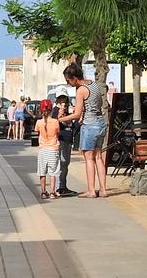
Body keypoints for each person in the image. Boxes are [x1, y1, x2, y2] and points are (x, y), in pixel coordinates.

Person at [58, 64, 109, 198]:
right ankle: (103, 190)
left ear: (74, 78)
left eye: (68, 80)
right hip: (100, 124)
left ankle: (91, 190)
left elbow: (76, 114)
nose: (68, 83)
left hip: (90, 126)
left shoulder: (81, 90)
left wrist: (60, 119)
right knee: (98, 157)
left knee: (89, 159)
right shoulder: (94, 84)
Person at [35, 99, 61, 199]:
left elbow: (37, 132)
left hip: (42, 150)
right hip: (53, 149)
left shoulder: (38, 122)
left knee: (42, 171)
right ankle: (52, 192)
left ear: (41, 110)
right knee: (53, 172)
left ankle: (43, 192)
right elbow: (57, 133)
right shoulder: (55, 122)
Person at [53, 94, 78, 197]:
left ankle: (63, 186)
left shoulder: (67, 113)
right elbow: (55, 122)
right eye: (65, 104)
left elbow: (73, 124)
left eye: (67, 104)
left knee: (66, 164)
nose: (66, 106)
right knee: (62, 163)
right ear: (59, 104)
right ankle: (59, 187)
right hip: (61, 140)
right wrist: (60, 112)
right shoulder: (55, 111)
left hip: (68, 141)